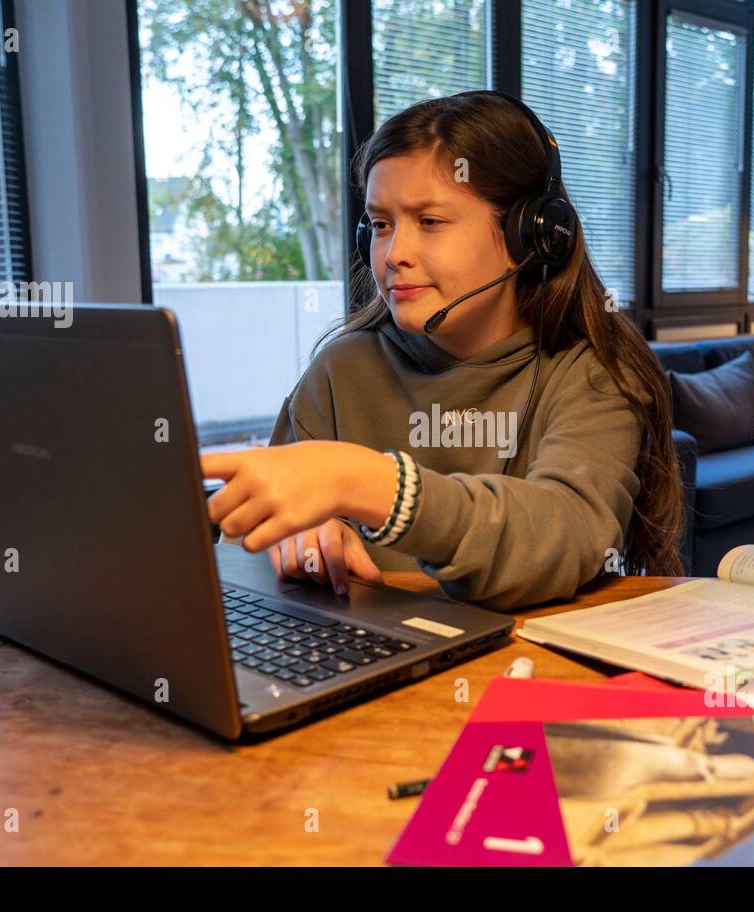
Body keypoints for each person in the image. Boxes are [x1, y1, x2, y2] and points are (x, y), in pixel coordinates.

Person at [203, 90, 683, 611]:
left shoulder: (592, 376)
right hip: (370, 677)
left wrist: (365, 483)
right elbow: (241, 552)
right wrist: (295, 540)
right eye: (381, 224)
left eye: (430, 222)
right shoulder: (340, 370)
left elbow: (563, 535)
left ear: (531, 234)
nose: (394, 255)